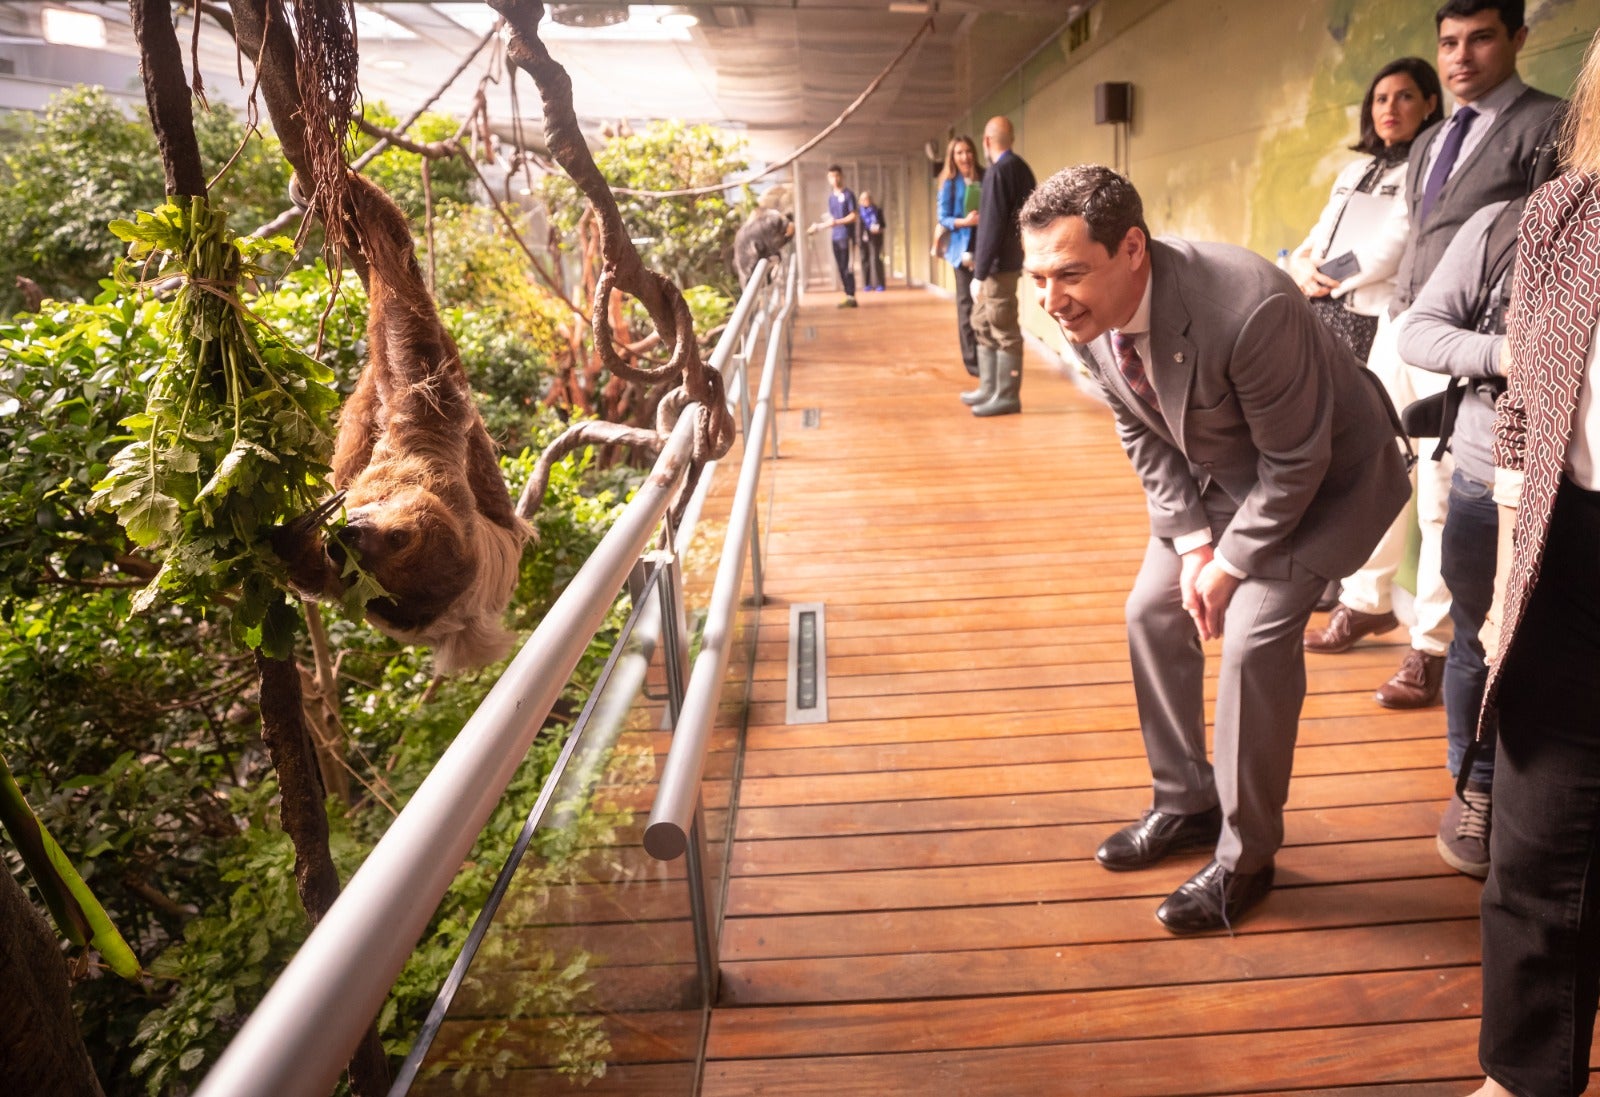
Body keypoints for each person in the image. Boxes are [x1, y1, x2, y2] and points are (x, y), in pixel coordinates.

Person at [1020, 165, 1409, 934]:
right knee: (1150, 610)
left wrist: (1232, 567)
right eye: (1037, 276)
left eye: (1068, 273)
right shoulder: (1088, 313)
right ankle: (1186, 800)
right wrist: (1197, 548)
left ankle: (1246, 855)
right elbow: (1141, 429)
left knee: (1253, 643)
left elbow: (1299, 463)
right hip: (1222, 475)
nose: (1050, 298)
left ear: (1132, 248)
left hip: (1327, 477)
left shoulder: (1250, 304)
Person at [1304, 0, 1563, 712]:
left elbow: (1547, 241)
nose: (1461, 56)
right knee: (1376, 465)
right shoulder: (1432, 138)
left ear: (1517, 39)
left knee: (1443, 501)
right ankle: (1366, 597)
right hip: (1402, 321)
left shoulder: (1546, 123)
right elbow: (1413, 232)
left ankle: (1432, 644)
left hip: (1472, 338)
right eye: (1449, 42)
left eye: (1481, 39)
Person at [1462, 28, 1600, 1097]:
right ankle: (1521, 1076)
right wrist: (1508, 589)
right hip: (1574, 548)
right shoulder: (1564, 211)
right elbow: (1523, 419)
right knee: (1533, 840)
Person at [1396, 197, 1522, 879]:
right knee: (1478, 635)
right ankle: (1476, 784)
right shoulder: (1508, 222)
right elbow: (1419, 332)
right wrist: (1508, 353)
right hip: (1487, 472)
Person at [1287, 57, 1443, 362]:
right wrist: (1301, 263)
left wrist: (1324, 278)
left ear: (1429, 105)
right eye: (1381, 99)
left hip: (1371, 316)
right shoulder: (1353, 171)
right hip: (1317, 308)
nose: (1390, 108)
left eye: (1405, 96)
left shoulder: (1427, 170)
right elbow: (1321, 233)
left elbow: (1392, 248)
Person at [962, 116, 1036, 417]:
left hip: (996, 266)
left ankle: (1006, 396)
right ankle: (989, 388)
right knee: (981, 321)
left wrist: (979, 272)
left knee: (1002, 325)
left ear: (987, 142)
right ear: (1012, 138)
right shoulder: (1022, 169)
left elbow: (991, 225)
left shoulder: (997, 173)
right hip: (1005, 261)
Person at [936, 136, 984, 378]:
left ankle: (987, 356)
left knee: (984, 307)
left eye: (968, 151)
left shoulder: (985, 176)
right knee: (966, 307)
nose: (965, 156)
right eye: (959, 153)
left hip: (984, 248)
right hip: (960, 252)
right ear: (952, 157)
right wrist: (964, 222)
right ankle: (972, 363)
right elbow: (942, 217)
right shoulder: (949, 184)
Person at [812, 165, 859, 308]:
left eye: (837, 175)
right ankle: (847, 295)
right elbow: (831, 218)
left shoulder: (849, 195)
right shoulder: (831, 197)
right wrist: (820, 226)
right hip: (835, 237)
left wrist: (838, 222)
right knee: (840, 267)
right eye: (832, 176)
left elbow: (854, 216)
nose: (835, 179)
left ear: (842, 176)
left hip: (847, 237)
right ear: (828, 178)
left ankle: (851, 296)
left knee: (847, 267)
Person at [733, 207, 794, 289]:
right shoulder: (771, 223)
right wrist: (789, 235)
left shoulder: (762, 224)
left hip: (747, 270)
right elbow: (776, 244)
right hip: (751, 267)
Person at [857, 191, 886, 292]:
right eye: (864, 199)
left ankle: (880, 283)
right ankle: (867, 284)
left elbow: (883, 225)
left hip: (876, 238)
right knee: (865, 261)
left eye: (868, 198)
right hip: (863, 239)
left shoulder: (877, 210)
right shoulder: (859, 213)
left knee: (876, 260)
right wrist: (858, 240)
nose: (866, 201)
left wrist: (878, 229)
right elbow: (858, 228)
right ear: (861, 201)